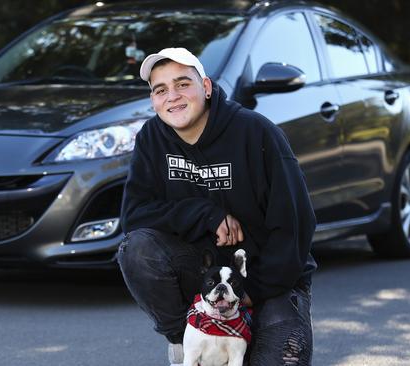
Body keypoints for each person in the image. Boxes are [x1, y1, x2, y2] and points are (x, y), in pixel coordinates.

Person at [117, 47, 317, 366]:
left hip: (268, 282)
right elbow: (134, 216)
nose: (172, 96)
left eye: (183, 84)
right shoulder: (152, 138)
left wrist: (252, 292)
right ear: (153, 99)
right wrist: (206, 214)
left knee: (283, 358)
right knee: (137, 248)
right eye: (160, 89)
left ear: (206, 88)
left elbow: (296, 226)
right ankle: (186, 338)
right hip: (201, 275)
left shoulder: (258, 134)